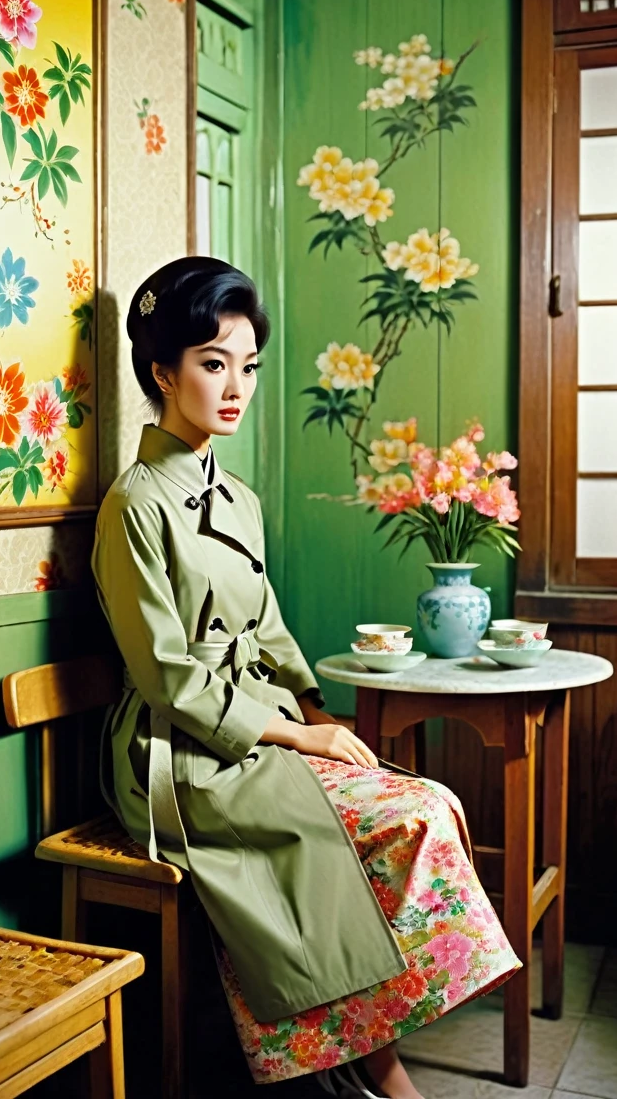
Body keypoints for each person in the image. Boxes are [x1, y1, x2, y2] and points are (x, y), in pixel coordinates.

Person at [91, 256, 520, 1098]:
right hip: (178, 756)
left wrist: (324, 715)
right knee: (388, 825)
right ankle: (380, 1072)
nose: (235, 386)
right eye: (213, 363)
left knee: (426, 802)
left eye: (247, 366)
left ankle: (362, 1060)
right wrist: (299, 732)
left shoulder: (237, 497)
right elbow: (170, 680)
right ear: (161, 371)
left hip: (258, 726)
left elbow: (272, 628)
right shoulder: (134, 505)